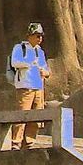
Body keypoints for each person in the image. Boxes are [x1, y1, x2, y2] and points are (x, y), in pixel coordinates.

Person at [10, 22, 51, 150]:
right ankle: (15, 143)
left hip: (38, 87)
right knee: (22, 115)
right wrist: (28, 63)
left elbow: (45, 68)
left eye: (41, 36)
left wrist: (45, 72)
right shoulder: (20, 47)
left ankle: (29, 143)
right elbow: (14, 62)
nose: (39, 39)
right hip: (25, 86)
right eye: (37, 35)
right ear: (30, 36)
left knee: (36, 117)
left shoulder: (40, 52)